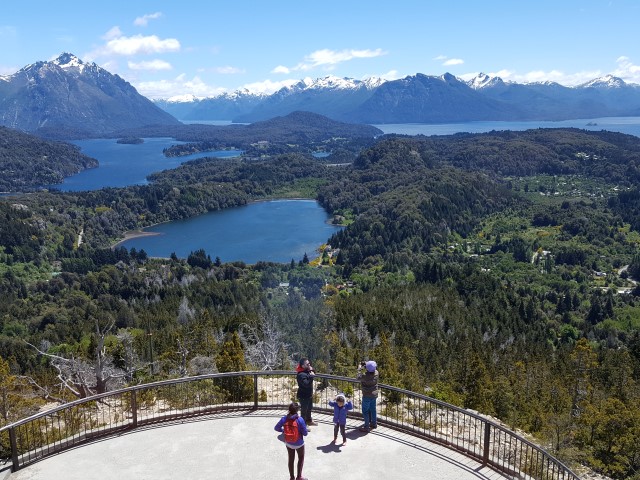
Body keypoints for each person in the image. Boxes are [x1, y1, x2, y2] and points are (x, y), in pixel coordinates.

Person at [275, 402, 308, 480]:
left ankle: (292, 477)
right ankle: (299, 477)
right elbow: (305, 433)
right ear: (297, 410)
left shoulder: (284, 418)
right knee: (301, 458)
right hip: (299, 443)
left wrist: (283, 431)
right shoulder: (300, 420)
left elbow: (276, 428)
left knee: (291, 459)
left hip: (288, 443)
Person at [357, 360, 379, 432]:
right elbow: (372, 369)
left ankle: (366, 427)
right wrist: (367, 365)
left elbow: (358, 378)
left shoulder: (364, 376)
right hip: (374, 394)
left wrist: (359, 368)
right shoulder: (376, 373)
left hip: (367, 395)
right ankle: (374, 424)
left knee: (365, 411)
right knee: (373, 409)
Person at [296, 358, 317, 426]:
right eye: (307, 364)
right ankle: (303, 425)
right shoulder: (301, 375)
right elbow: (306, 384)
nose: (309, 365)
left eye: (309, 363)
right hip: (303, 396)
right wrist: (311, 377)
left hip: (308, 394)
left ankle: (309, 421)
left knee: (309, 409)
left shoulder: (306, 371)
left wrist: (311, 369)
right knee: (304, 411)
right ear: (303, 366)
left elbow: (313, 372)